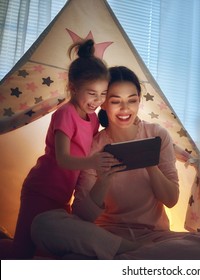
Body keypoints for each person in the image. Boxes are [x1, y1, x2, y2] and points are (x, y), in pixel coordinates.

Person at [31, 66, 200, 260]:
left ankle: (114, 259)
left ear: (139, 102)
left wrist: (149, 163)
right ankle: (126, 252)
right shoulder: (96, 146)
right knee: (43, 224)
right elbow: (83, 217)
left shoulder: (157, 135)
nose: (125, 109)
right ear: (104, 103)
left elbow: (171, 199)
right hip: (106, 235)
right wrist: (103, 181)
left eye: (132, 100)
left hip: (155, 237)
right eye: (116, 101)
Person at [0, 39, 117, 259]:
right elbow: (63, 159)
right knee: (22, 254)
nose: (97, 100)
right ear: (73, 88)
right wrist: (94, 162)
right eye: (92, 93)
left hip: (63, 198)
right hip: (40, 191)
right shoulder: (66, 114)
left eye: (102, 94)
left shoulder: (92, 120)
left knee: (47, 252)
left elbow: (87, 152)